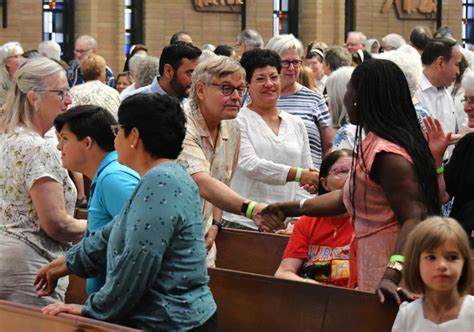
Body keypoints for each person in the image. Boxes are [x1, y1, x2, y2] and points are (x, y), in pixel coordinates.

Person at [35, 94, 218, 331]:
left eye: (118, 129)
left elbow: (140, 260)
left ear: (134, 136)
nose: (115, 138)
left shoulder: (162, 181)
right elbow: (114, 231)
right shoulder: (159, 177)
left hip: (173, 322)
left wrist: (94, 309)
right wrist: (69, 263)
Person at [262, 59, 440, 298]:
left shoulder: (388, 155)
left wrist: (391, 274)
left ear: (362, 97)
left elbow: (414, 217)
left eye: (349, 89)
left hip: (394, 281)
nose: (345, 97)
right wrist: (289, 207)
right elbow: (345, 199)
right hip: (375, 271)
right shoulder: (373, 143)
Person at [177, 56, 285, 266]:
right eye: (226, 89)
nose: (236, 97)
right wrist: (251, 209)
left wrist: (216, 223)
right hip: (172, 239)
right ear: (200, 90)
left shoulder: (232, 127)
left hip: (204, 241)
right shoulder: (181, 125)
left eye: (240, 89)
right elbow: (202, 182)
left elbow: (222, 182)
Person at [0, 57, 87, 306]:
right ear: (33, 98)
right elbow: (56, 224)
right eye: (60, 93)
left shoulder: (6, 137)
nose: (68, 100)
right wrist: (102, 227)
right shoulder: (37, 148)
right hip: (30, 270)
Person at [221, 49, 316, 230]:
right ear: (247, 84)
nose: (269, 84)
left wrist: (298, 220)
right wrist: (298, 174)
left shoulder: (295, 123)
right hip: (243, 223)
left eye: (274, 77)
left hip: (286, 227)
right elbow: (250, 164)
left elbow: (306, 177)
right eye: (260, 79)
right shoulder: (237, 121)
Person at [53, 105, 140, 295]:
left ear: (87, 143)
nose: (59, 146)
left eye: (65, 139)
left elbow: (138, 243)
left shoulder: (114, 178)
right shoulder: (107, 175)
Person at [275, 149, 355, 287]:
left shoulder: (368, 223)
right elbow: (283, 273)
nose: (351, 178)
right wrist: (312, 286)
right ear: (325, 184)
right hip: (310, 296)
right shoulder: (307, 222)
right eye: (342, 171)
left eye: (356, 172)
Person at [392, 217, 474, 331]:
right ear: (416, 263)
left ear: (464, 263)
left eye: (452, 257)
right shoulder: (407, 315)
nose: (442, 265)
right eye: (431, 257)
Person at [266, 34, 334, 169]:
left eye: (296, 62)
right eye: (285, 62)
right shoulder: (260, 98)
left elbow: (329, 146)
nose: (292, 68)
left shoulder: (314, 99)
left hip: (307, 184)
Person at [415, 38, 461, 157]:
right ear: (440, 63)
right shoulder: (414, 93)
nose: (458, 72)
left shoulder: (446, 93)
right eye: (456, 65)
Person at [132, 42, 201, 101]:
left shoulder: (194, 103)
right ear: (168, 71)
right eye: (190, 73)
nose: (195, 79)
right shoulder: (136, 102)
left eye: (197, 73)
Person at [0, 41, 24, 106]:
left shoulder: (26, 79)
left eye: (22, 56)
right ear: (6, 61)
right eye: (16, 56)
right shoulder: (2, 83)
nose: (21, 59)